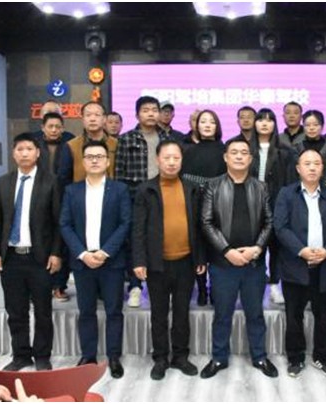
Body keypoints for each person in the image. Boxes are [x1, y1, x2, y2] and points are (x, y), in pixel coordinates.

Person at [199, 138, 277, 379]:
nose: (240, 156)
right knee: (222, 315)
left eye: (244, 152)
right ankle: (218, 358)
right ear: (226, 157)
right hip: (223, 264)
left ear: (251, 159)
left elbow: (269, 222)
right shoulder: (213, 186)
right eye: (234, 152)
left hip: (253, 264)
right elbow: (206, 222)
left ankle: (260, 356)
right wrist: (227, 251)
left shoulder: (261, 187)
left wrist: (257, 248)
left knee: (255, 314)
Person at [132, 140, 206, 380]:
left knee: (182, 312)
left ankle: (181, 356)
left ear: (182, 160)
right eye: (167, 158)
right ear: (157, 160)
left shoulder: (192, 188)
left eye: (176, 158)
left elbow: (199, 226)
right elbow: (138, 229)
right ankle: (161, 358)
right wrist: (139, 260)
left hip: (186, 261)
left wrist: (200, 256)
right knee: (159, 313)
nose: (172, 162)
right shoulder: (146, 190)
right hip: (157, 264)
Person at [60, 141, 131, 379]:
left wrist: (105, 252)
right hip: (83, 262)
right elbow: (65, 225)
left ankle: (114, 356)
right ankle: (88, 355)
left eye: (99, 156)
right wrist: (82, 254)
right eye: (89, 156)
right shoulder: (72, 191)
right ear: (83, 161)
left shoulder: (120, 190)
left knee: (114, 311)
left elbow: (125, 223)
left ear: (108, 161)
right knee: (86, 310)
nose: (94, 160)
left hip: (111, 262)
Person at [0, 133, 61, 371]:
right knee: (15, 311)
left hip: (39, 257)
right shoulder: (4, 182)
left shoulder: (50, 181)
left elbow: (58, 223)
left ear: (38, 153)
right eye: (19, 149)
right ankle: (21, 356)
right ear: (13, 154)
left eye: (29, 149)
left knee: (43, 311)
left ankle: (42, 356)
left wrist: (56, 253)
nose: (24, 153)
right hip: (10, 257)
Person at [274, 149, 326, 378]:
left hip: (324, 266)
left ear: (322, 168)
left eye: (317, 163)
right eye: (307, 163)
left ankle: (322, 358)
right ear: (298, 168)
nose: (313, 167)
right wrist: (302, 251)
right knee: (294, 316)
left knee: (323, 316)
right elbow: (280, 227)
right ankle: (295, 358)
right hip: (295, 266)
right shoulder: (287, 194)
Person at [115, 95, 178, 308]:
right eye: (145, 110)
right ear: (137, 115)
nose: (151, 114)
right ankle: (135, 286)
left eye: (154, 110)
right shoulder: (126, 139)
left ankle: (163, 287)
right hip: (136, 197)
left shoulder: (168, 139)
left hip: (164, 196)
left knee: (163, 240)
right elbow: (119, 174)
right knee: (137, 241)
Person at [248, 108, 297, 304]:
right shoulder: (246, 149)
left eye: (269, 120)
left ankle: (275, 285)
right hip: (252, 206)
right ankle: (255, 285)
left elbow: (290, 183)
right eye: (260, 120)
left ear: (275, 124)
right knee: (255, 247)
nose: (264, 123)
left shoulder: (285, 152)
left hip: (276, 205)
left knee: (276, 248)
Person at [181, 109, 227, 306]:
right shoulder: (187, 151)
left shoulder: (226, 151)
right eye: (203, 121)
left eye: (211, 122)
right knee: (197, 247)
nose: (207, 125)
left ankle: (216, 289)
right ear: (196, 126)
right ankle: (201, 289)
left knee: (217, 248)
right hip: (194, 205)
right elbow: (184, 180)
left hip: (220, 207)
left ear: (217, 126)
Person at [35, 112, 74, 303]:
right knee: (41, 242)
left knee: (63, 244)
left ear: (63, 128)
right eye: (50, 126)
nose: (54, 130)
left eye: (58, 127)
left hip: (64, 197)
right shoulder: (34, 145)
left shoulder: (69, 144)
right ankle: (41, 286)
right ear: (42, 127)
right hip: (40, 199)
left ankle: (59, 286)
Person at [58, 102, 117, 187]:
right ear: (82, 119)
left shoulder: (116, 144)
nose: (92, 119)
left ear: (104, 119)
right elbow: (64, 178)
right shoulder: (71, 145)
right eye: (88, 115)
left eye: (97, 115)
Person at [294, 110, 326, 189]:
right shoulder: (296, 148)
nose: (311, 128)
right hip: (301, 191)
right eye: (307, 125)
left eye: (315, 125)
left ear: (322, 126)